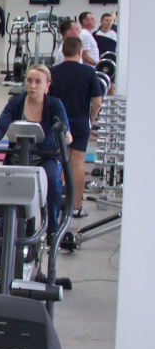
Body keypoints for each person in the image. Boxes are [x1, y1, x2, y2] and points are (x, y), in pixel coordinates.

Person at [0, 64, 71, 249]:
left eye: (38, 82)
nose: (32, 85)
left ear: (47, 85)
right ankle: (1, 260)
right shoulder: (16, 102)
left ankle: (52, 229)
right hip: (17, 157)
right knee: (6, 200)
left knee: (52, 180)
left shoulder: (54, 105)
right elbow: (2, 125)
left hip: (45, 156)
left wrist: (65, 136)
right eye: (29, 80)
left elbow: (64, 129)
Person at [48, 37, 104, 218]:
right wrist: (91, 119)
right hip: (80, 124)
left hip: (57, 125)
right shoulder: (88, 72)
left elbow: (46, 100)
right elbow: (97, 101)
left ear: (63, 51)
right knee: (77, 164)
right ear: (80, 52)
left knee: (57, 163)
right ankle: (76, 207)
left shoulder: (53, 72)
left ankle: (53, 205)